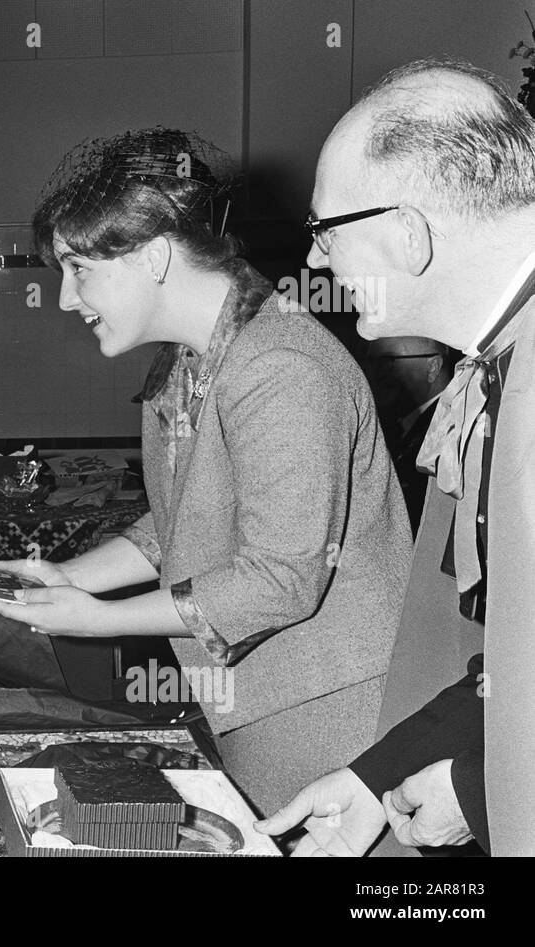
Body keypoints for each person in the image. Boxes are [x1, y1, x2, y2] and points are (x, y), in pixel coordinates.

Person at [0, 129, 412, 818]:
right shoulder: (191, 358)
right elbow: (185, 515)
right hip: (259, 700)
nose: (65, 299)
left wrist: (98, 620)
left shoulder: (278, 367)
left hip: (330, 716)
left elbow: (280, 578)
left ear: (154, 256)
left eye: (80, 268)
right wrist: (70, 578)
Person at [258, 58, 535, 857]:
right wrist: (379, 774)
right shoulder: (495, 362)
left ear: (408, 234)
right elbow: (508, 660)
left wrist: (472, 790)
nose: (316, 264)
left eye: (324, 232)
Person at [361, 336, 456, 533]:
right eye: (370, 362)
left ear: (432, 368)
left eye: (387, 362)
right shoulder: (395, 429)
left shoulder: (450, 434)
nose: (373, 374)